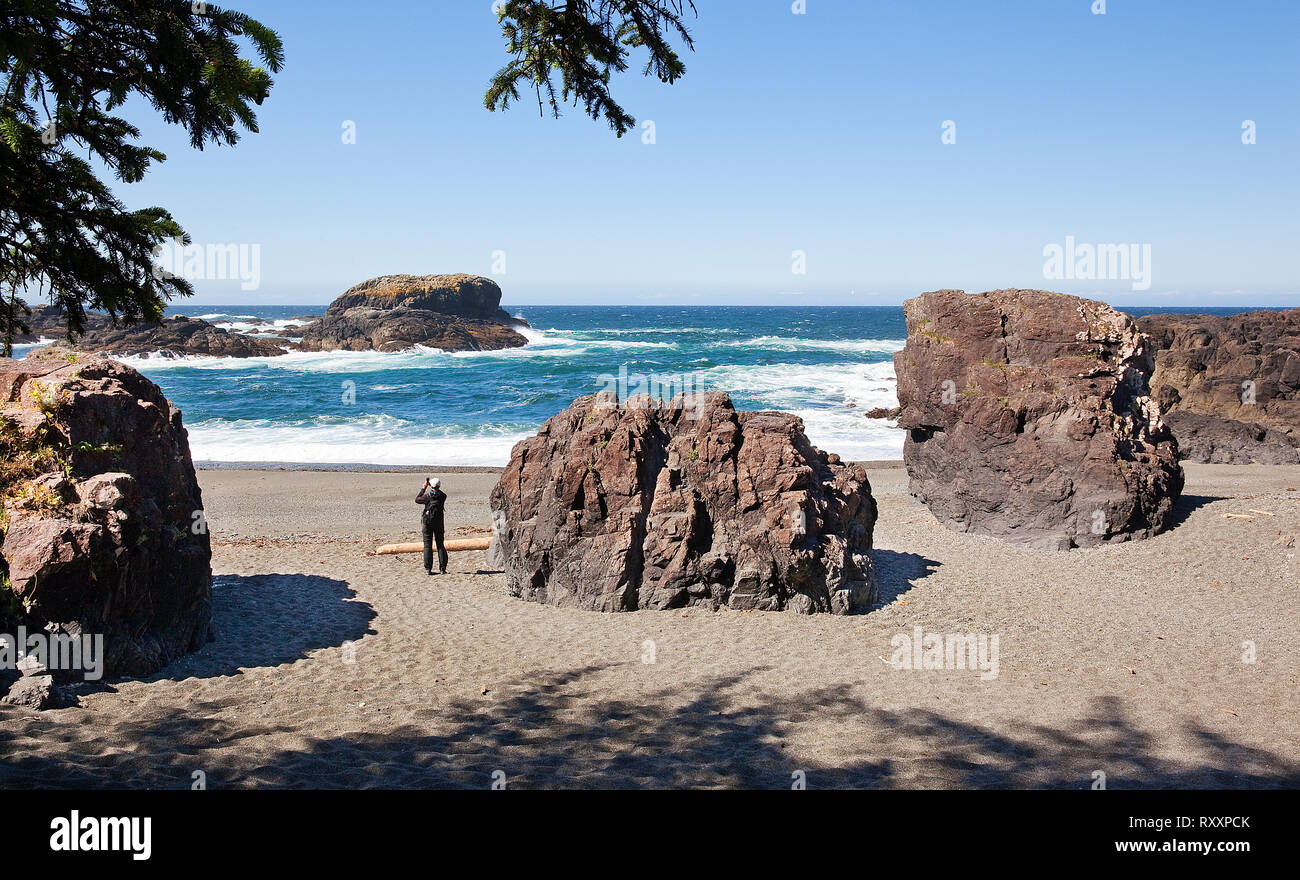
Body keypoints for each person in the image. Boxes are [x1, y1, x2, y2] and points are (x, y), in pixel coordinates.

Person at [415, 477, 448, 575]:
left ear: (431, 486)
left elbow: (417, 499)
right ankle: (442, 568)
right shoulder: (443, 496)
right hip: (439, 523)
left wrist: (423, 488)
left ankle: (428, 568)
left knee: (427, 546)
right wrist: (432, 485)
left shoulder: (427, 497)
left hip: (427, 523)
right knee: (440, 545)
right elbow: (439, 492)